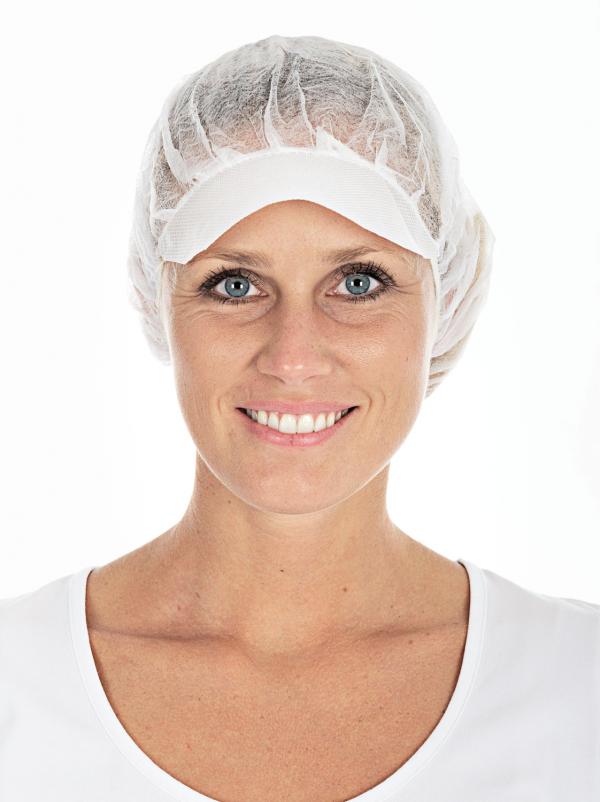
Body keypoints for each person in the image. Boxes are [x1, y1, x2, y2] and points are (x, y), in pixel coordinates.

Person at [1, 34, 598, 802]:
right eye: (234, 284)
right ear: (159, 301)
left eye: (358, 282)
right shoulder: (17, 683)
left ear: (444, 298)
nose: (293, 358)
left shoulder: (577, 686)